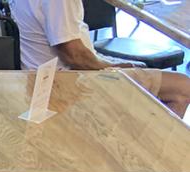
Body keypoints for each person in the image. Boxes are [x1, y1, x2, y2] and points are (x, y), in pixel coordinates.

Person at [11, 0, 190, 117]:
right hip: (70, 80)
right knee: (183, 87)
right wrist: (112, 67)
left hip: (42, 75)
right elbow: (73, 54)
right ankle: (154, 163)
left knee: (152, 76)